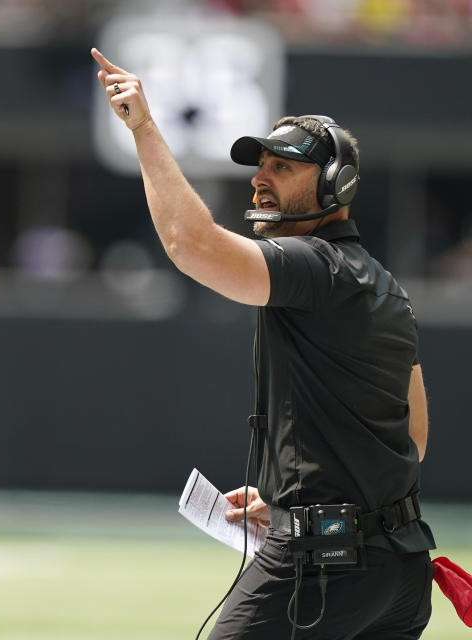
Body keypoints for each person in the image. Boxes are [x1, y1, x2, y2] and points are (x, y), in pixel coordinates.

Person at [92, 48, 435, 639]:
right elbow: (413, 438)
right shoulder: (384, 286)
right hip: (400, 573)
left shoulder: (315, 266)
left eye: (283, 167)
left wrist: (144, 129)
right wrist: (292, 498)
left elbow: (190, 246)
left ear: (336, 182)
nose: (259, 178)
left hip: (323, 567)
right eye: (261, 165)